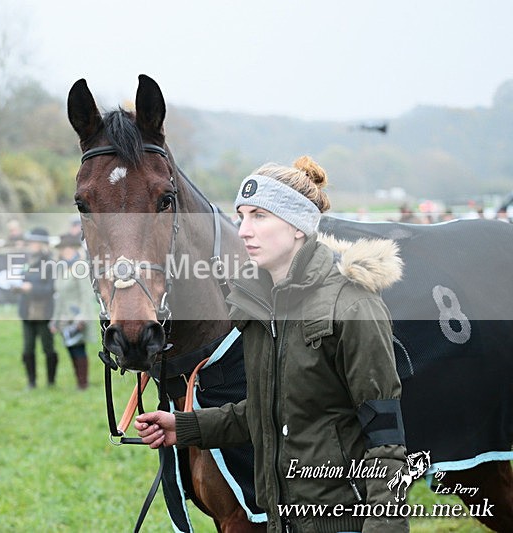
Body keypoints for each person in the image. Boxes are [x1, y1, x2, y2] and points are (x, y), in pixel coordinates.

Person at [136, 156, 409, 533]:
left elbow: (385, 437)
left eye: (259, 216)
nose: (243, 230)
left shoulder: (353, 305)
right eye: (241, 215)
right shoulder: (260, 308)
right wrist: (182, 427)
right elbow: (266, 412)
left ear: (298, 227)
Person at [49, 233, 94, 390]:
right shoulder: (62, 268)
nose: (65, 252)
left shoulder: (80, 266)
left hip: (77, 316)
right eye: (63, 249)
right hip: (64, 317)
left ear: (74, 249)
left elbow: (86, 295)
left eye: (68, 248)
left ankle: (83, 383)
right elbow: (59, 297)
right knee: (71, 348)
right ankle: (79, 381)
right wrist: (55, 320)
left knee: (79, 349)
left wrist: (82, 318)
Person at [16, 227, 57, 388]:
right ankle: (31, 382)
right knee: (27, 349)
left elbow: (50, 289)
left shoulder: (49, 263)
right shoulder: (27, 261)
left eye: (35, 241)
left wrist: (31, 288)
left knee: (48, 348)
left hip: (44, 311)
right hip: (27, 311)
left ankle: (51, 382)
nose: (32, 244)